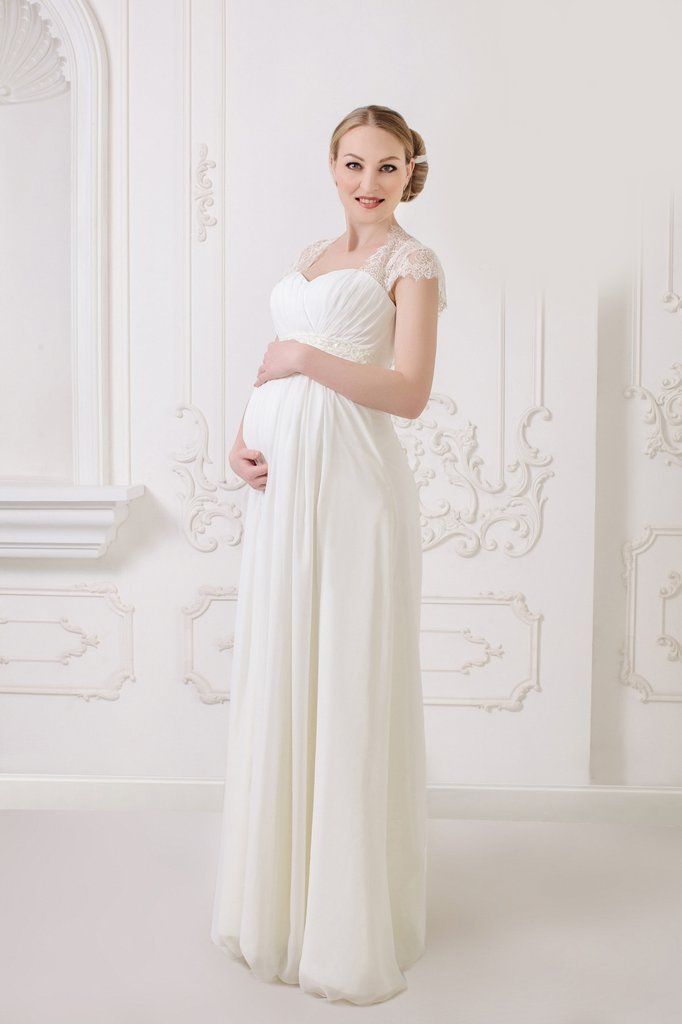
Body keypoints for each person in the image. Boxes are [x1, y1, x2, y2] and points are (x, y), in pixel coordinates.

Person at [210, 103, 447, 1005]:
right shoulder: (313, 255)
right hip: (285, 494)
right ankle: (282, 905)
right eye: (354, 163)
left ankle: (345, 924)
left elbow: (409, 391)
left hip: (353, 489)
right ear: (333, 165)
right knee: (286, 666)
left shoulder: (412, 265)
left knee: (344, 674)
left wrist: (306, 360)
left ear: (410, 171)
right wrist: (242, 436)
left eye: (387, 166)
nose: (368, 182)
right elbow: (271, 363)